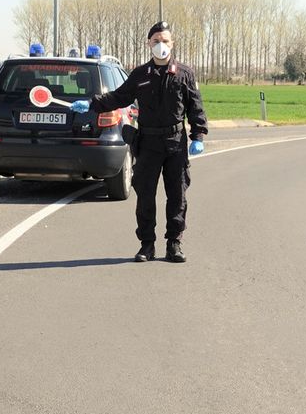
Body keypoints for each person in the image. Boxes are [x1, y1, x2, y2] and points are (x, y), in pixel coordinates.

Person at [71, 21, 208, 263]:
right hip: (148, 142)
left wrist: (198, 136)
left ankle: (174, 243)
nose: (160, 45)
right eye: (156, 41)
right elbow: (119, 97)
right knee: (145, 195)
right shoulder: (140, 75)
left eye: (165, 40)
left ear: (172, 44)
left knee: (177, 195)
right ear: (148, 44)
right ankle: (147, 244)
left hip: (175, 143)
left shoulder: (185, 74)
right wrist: (92, 104)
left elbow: (195, 107)